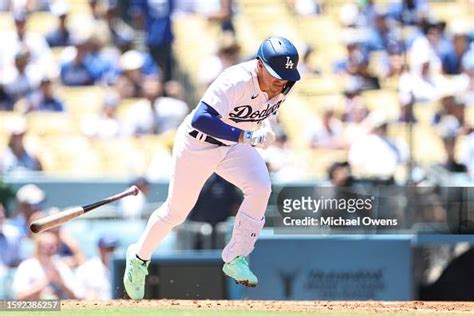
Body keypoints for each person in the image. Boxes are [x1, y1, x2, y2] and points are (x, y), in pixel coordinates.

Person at [123, 36, 301, 299]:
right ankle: (138, 258)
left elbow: (267, 113)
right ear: (260, 65)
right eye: (276, 75)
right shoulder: (235, 79)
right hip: (198, 145)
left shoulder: (283, 85)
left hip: (233, 145)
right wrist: (247, 137)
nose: (281, 82)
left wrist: (265, 128)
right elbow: (201, 119)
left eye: (286, 76)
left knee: (261, 187)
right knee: (176, 212)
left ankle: (236, 257)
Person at [12, 232, 78, 299]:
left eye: (54, 245)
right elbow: (20, 296)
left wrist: (61, 282)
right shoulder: (27, 266)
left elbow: (76, 296)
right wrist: (45, 281)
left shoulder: (60, 266)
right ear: (38, 246)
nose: (50, 249)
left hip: (60, 307)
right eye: (46, 245)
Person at [75, 235, 118, 300]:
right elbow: (77, 294)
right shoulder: (86, 269)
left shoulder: (121, 269)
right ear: (99, 249)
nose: (110, 252)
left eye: (112, 249)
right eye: (107, 249)